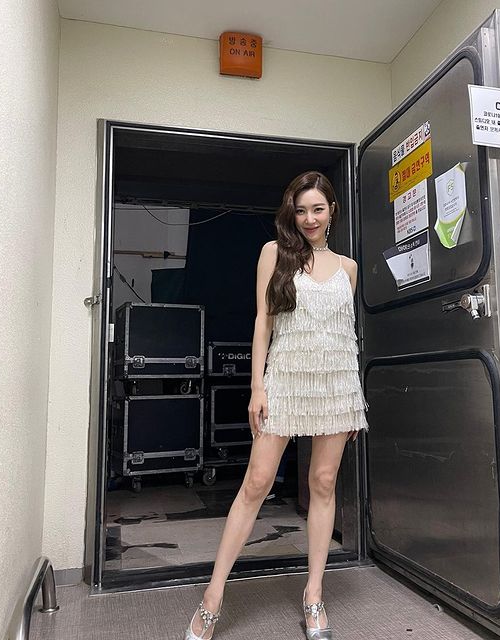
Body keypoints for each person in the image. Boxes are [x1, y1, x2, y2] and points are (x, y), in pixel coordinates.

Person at [185, 171, 368, 640]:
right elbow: (262, 322)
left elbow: (344, 335)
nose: (309, 219)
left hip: (336, 386)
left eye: (318, 209)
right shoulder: (275, 253)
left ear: (332, 212)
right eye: (301, 210)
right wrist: (257, 387)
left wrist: (354, 400)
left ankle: (314, 595)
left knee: (323, 482)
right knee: (256, 482)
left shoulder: (348, 268)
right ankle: (212, 598)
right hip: (284, 380)